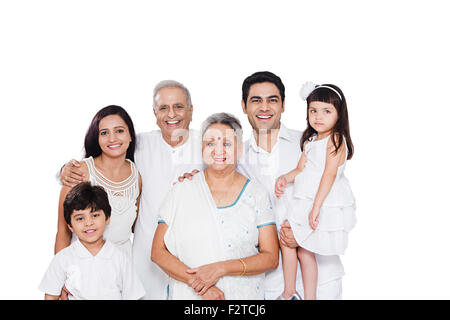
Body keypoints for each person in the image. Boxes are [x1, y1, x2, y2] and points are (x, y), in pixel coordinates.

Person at [179, 72, 346, 299]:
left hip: (320, 277)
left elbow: (336, 195)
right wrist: (194, 178)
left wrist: (306, 235)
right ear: (244, 106)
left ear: (284, 105)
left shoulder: (310, 144)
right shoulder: (234, 155)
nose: (264, 107)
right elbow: (213, 183)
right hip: (267, 283)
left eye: (272, 100)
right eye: (256, 100)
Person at [59, 80, 203, 299]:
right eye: (163, 108)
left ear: (191, 110)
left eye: (179, 106)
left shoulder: (209, 144)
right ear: (155, 114)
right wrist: (63, 170)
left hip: (194, 256)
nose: (171, 114)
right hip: (141, 262)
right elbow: (101, 160)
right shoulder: (141, 145)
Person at [151, 113, 279, 300]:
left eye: (227, 144)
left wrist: (222, 268)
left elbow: (271, 257)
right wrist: (202, 287)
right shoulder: (182, 190)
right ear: (201, 147)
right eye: (211, 143)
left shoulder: (256, 194)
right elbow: (157, 252)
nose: (218, 151)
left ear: (239, 149)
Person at [274, 82, 356, 299]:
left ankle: (304, 295)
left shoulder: (335, 140)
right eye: (313, 111)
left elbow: (329, 175)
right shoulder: (310, 140)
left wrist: (315, 207)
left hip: (322, 200)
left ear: (339, 114)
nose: (318, 116)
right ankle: (290, 290)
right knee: (292, 241)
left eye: (326, 111)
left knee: (300, 245)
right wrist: (285, 178)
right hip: (304, 198)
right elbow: (301, 168)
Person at [56, 105, 142, 257]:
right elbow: (63, 233)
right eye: (104, 133)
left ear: (130, 135)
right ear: (97, 138)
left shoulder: (137, 176)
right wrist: (61, 276)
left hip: (123, 264)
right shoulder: (80, 172)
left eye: (119, 131)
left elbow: (137, 228)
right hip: (84, 264)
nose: (112, 138)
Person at [39, 182, 145, 300]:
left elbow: (133, 296)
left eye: (95, 215)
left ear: (107, 218)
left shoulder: (120, 259)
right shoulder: (63, 259)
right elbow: (50, 296)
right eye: (80, 218)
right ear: (70, 226)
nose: (88, 223)